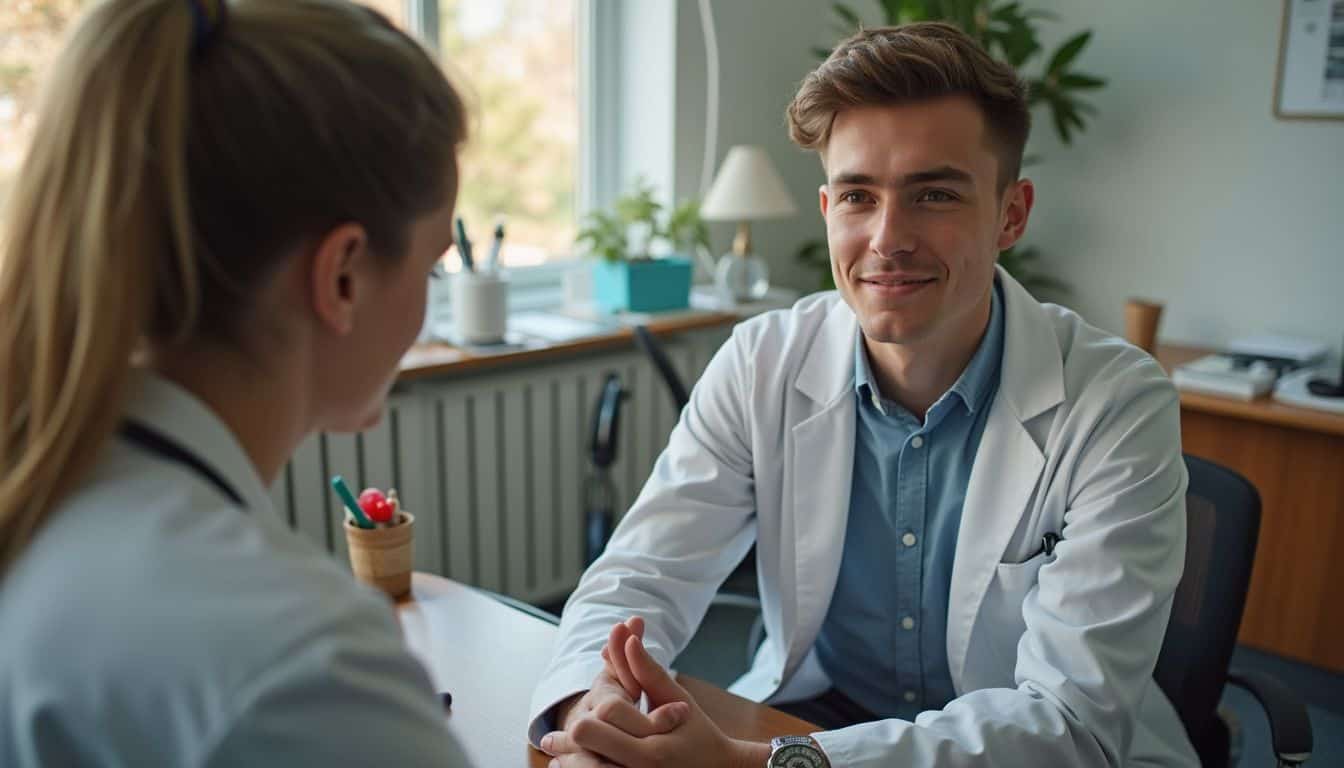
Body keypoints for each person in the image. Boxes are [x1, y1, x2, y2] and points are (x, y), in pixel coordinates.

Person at [530, 22, 1198, 768]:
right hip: (810, 711)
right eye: (858, 195)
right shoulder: (763, 361)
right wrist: (594, 702)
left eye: (934, 194)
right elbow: (644, 572)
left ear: (1011, 213)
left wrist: (756, 763)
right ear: (827, 210)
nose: (887, 238)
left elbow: (1066, 726)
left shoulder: (1117, 403)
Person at [0, 1, 474, 765]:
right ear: (343, 277)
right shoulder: (306, 666)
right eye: (434, 264)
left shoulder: (40, 492)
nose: (431, 297)